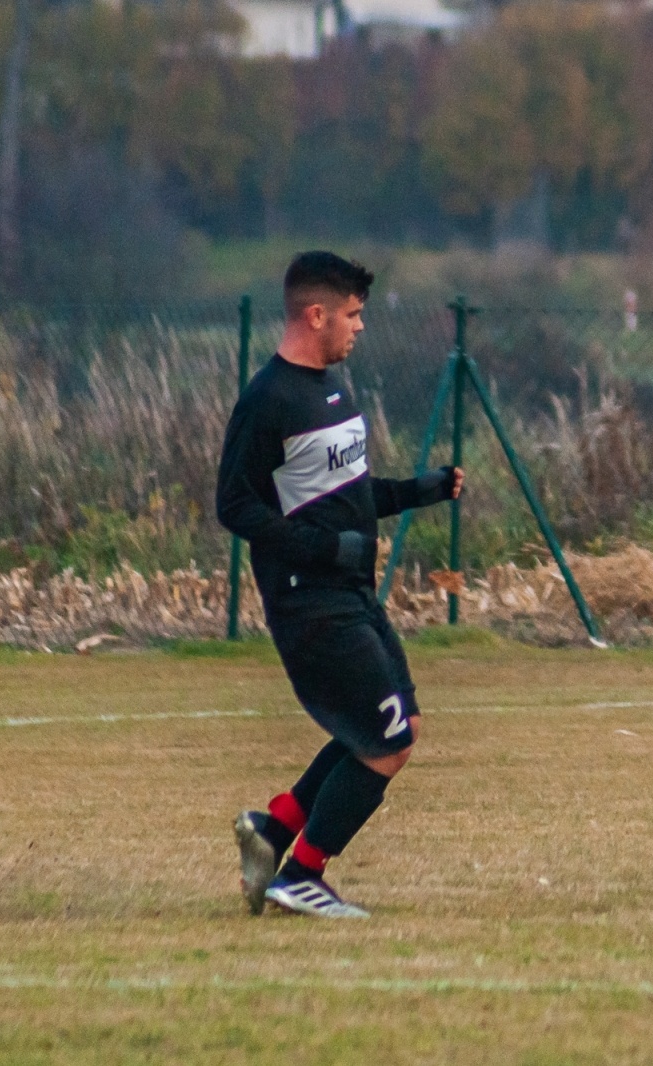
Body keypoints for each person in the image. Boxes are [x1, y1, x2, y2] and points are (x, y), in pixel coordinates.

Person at [216, 251, 464, 918]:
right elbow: (234, 507)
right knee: (389, 742)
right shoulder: (268, 401)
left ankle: (273, 829)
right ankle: (302, 873)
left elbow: (348, 499)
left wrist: (422, 491)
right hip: (310, 604)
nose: (359, 328)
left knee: (393, 726)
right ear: (315, 314)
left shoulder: (334, 389)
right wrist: (322, 548)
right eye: (353, 316)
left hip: (353, 595)